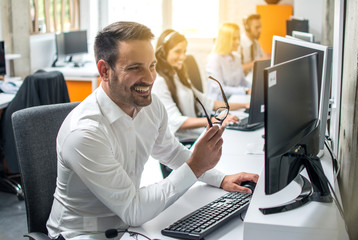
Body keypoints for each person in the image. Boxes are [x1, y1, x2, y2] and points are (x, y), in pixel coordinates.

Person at [46, 21, 258, 240]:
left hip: (129, 228)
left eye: (152, 65)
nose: (149, 78)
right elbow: (134, 209)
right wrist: (195, 166)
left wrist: (221, 179)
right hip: (83, 234)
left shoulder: (150, 106)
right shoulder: (85, 133)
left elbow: (172, 153)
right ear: (104, 71)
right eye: (135, 68)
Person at [153, 29, 248, 143]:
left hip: (196, 134)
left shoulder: (177, 75)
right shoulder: (159, 82)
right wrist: (216, 120)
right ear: (163, 52)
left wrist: (244, 105)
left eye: (184, 52)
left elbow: (207, 102)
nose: (183, 57)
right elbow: (175, 121)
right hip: (182, 143)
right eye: (178, 51)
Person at [206, 22, 251, 101]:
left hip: (235, 100)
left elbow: (242, 81)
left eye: (238, 38)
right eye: (234, 39)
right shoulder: (214, 59)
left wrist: (256, 88)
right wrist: (245, 91)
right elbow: (220, 89)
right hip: (220, 105)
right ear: (225, 40)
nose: (238, 42)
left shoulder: (236, 58)